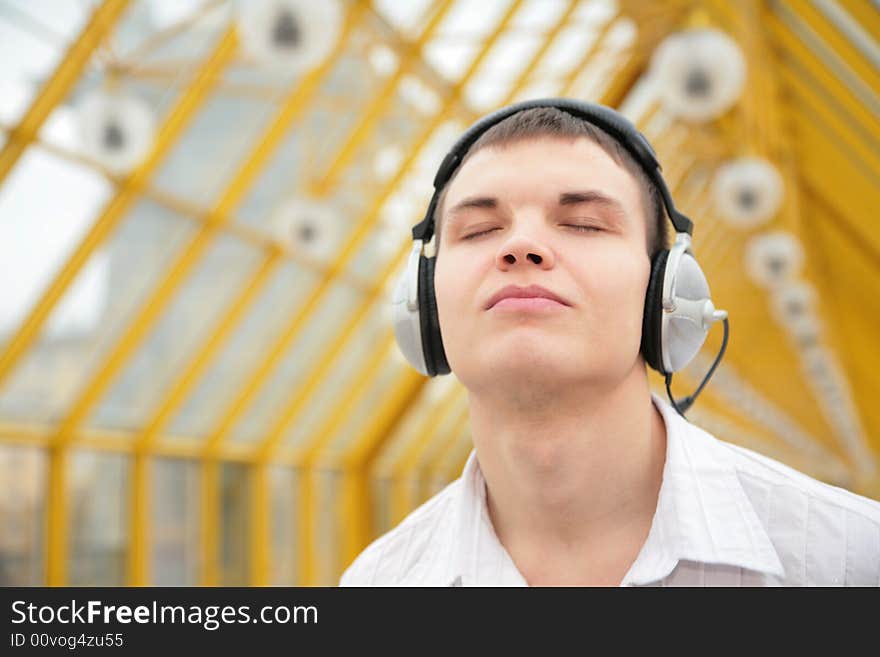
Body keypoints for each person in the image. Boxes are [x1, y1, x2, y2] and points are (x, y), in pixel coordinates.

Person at [339, 99, 880, 586]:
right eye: (479, 230)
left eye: (583, 223)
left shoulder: (847, 561)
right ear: (423, 302)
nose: (521, 245)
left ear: (666, 291)